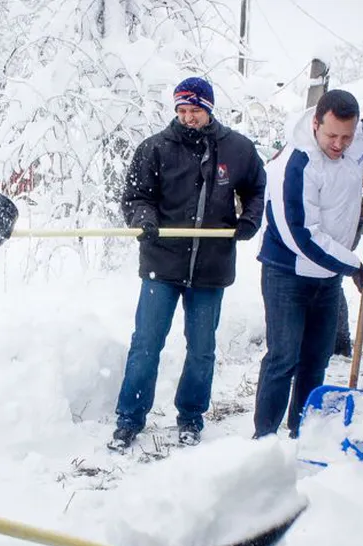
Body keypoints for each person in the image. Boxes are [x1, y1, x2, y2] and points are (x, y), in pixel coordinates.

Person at [109, 77, 267, 451]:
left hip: (210, 267)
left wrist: (249, 220)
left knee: (201, 347)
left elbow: (257, 189)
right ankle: (129, 419)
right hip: (161, 264)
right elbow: (135, 195)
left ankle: (191, 418)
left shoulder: (238, 149)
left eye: (195, 110)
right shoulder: (155, 149)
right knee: (146, 344)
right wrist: (142, 219)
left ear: (209, 110)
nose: (187, 117)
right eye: (181, 110)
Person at [252, 89, 363, 439]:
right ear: (315, 123)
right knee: (284, 358)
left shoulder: (354, 135)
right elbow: (302, 235)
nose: (339, 144)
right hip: (289, 273)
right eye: (331, 135)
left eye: (346, 136)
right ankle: (264, 439)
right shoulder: (294, 165)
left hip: (328, 276)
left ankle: (302, 431)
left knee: (317, 358)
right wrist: (354, 266)